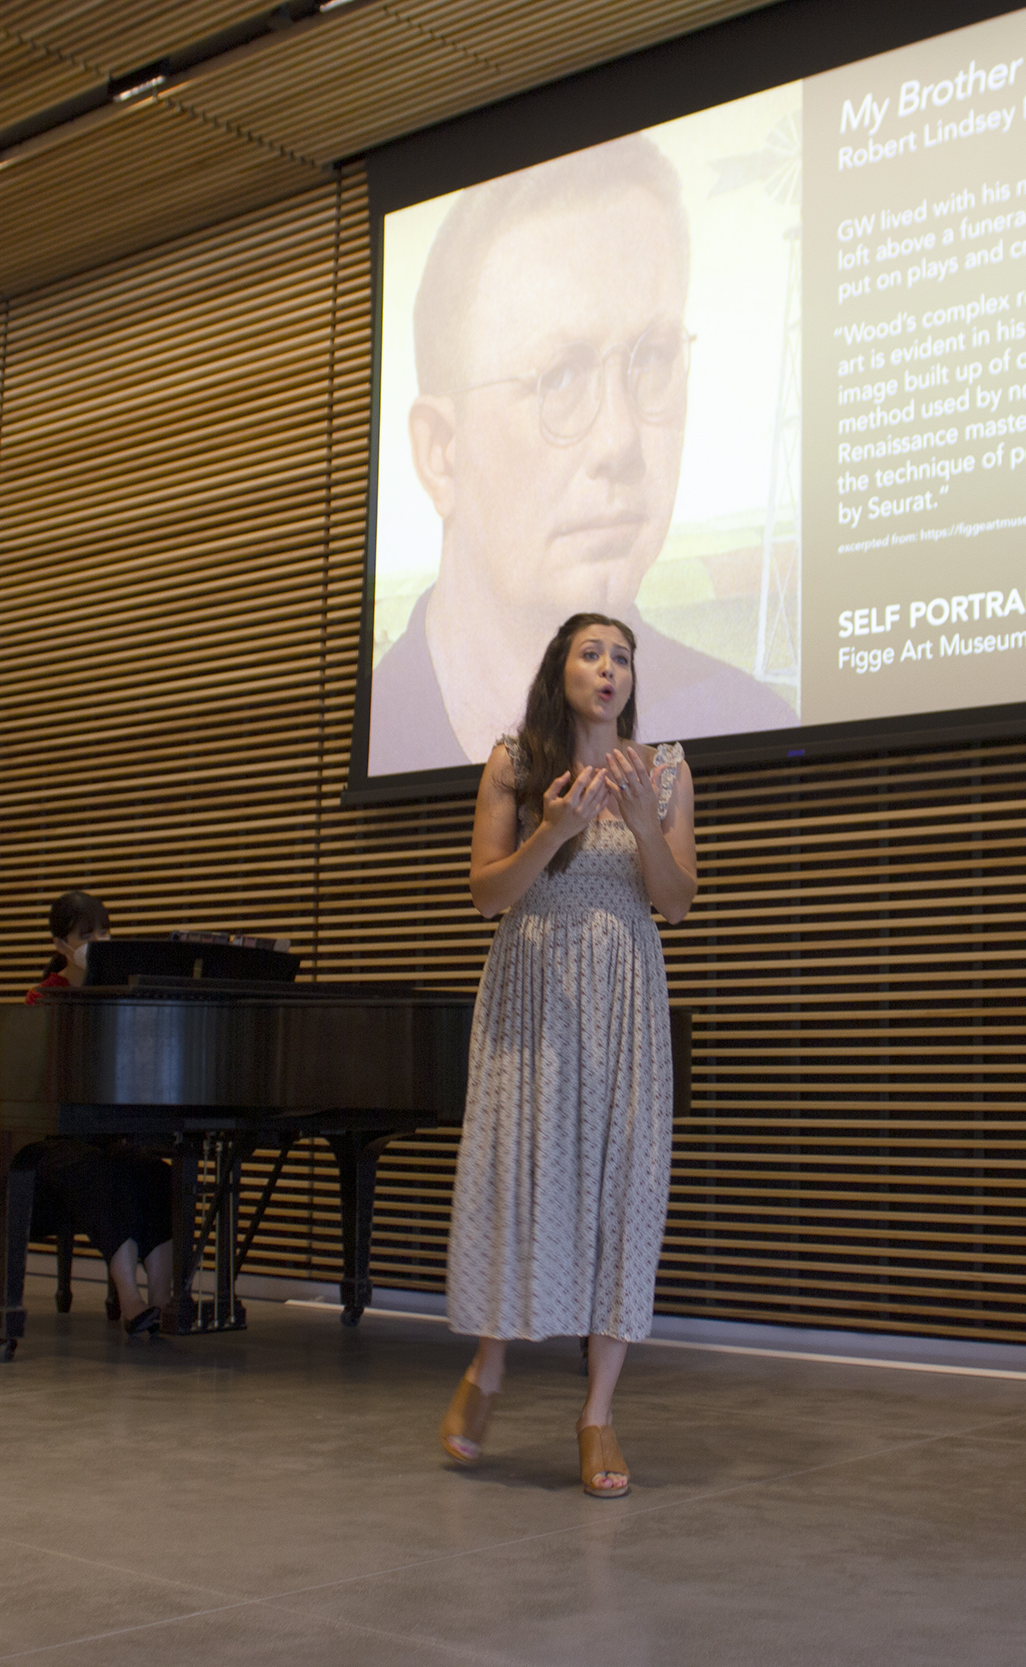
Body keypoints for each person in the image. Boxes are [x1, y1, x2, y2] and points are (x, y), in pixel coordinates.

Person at [369, 132, 796, 775]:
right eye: (560, 378)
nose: (621, 440)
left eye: (652, 358)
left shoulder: (752, 722)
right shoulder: (369, 735)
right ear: (441, 454)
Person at [439, 612, 697, 1498]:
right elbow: (486, 894)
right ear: (563, 669)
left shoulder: (662, 770)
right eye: (593, 652)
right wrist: (549, 831)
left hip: (624, 992)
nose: (610, 668)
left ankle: (597, 1413)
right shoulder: (516, 762)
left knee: (625, 1187)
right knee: (521, 1175)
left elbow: (677, 903)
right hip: (533, 986)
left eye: (623, 656)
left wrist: (639, 819)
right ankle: (489, 1368)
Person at [24, 891, 175, 1337]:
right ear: (61, 945)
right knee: (96, 1172)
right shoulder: (42, 998)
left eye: (104, 932)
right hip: (54, 1138)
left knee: (156, 1175)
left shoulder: (120, 992)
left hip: (103, 1134)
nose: (99, 941)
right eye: (86, 935)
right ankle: (130, 1299)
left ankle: (163, 1300)